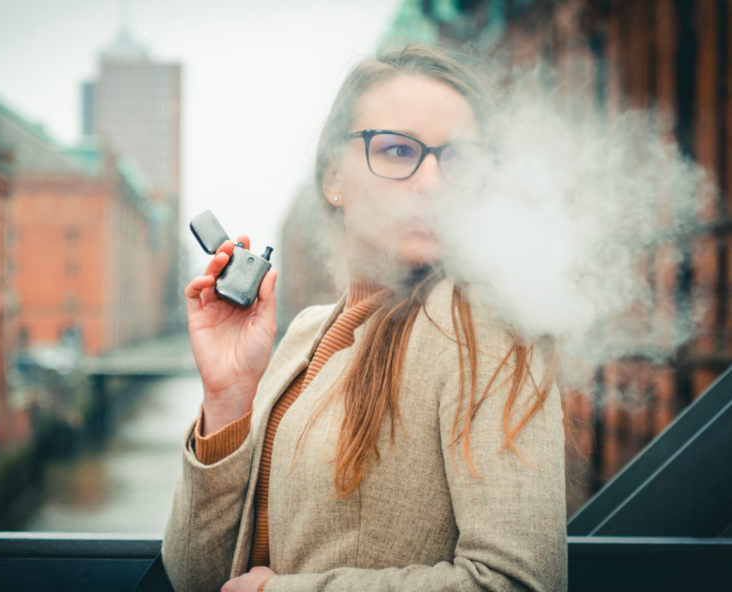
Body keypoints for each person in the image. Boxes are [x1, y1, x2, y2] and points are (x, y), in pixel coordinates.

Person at [162, 43, 567, 592]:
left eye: (458, 160)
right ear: (333, 176)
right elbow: (195, 576)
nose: (432, 183)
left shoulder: (488, 326)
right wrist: (229, 396)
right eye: (398, 151)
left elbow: (518, 583)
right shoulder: (306, 331)